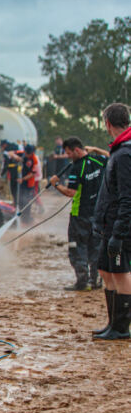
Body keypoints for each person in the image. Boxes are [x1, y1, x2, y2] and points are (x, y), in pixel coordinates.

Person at [92, 103, 131, 340]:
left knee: (120, 272)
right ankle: (112, 323)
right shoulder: (118, 150)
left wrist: (119, 233)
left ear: (107, 123)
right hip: (109, 225)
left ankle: (121, 327)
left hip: (120, 226)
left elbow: (128, 197)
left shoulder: (125, 154)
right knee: (105, 270)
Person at [49, 137, 107, 291]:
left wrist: (56, 184)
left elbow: (70, 192)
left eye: (69, 153)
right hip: (98, 215)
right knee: (96, 248)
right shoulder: (98, 160)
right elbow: (110, 155)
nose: (68, 156)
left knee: (77, 248)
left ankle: (82, 282)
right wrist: (95, 149)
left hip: (80, 215)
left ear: (76, 150)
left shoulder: (77, 168)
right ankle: (95, 281)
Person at [8, 144, 37, 225]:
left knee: (27, 202)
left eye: (28, 154)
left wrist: (23, 179)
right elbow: (10, 153)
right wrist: (17, 157)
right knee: (19, 200)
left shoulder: (34, 159)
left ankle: (26, 220)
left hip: (28, 183)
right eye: (26, 153)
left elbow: (32, 173)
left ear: (32, 153)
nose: (27, 155)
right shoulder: (21, 153)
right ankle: (20, 219)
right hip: (19, 183)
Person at [0, 140, 20, 208]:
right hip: (15, 172)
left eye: (2, 146)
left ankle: (16, 204)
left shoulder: (7, 152)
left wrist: (1, 174)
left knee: (14, 189)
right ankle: (15, 203)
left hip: (15, 173)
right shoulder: (14, 149)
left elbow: (6, 164)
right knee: (15, 189)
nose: (2, 148)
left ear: (4, 145)